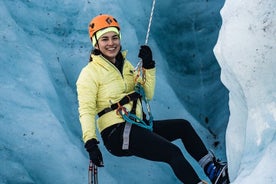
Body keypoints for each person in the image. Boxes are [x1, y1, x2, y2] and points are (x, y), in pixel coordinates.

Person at [76, 14, 230, 184]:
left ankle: (212, 169)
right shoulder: (89, 73)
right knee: (172, 153)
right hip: (116, 133)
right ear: (96, 43)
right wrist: (91, 142)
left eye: (114, 37)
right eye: (104, 39)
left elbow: (146, 94)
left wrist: (148, 66)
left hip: (137, 125)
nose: (111, 43)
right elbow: (86, 110)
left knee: (182, 127)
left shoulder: (125, 66)